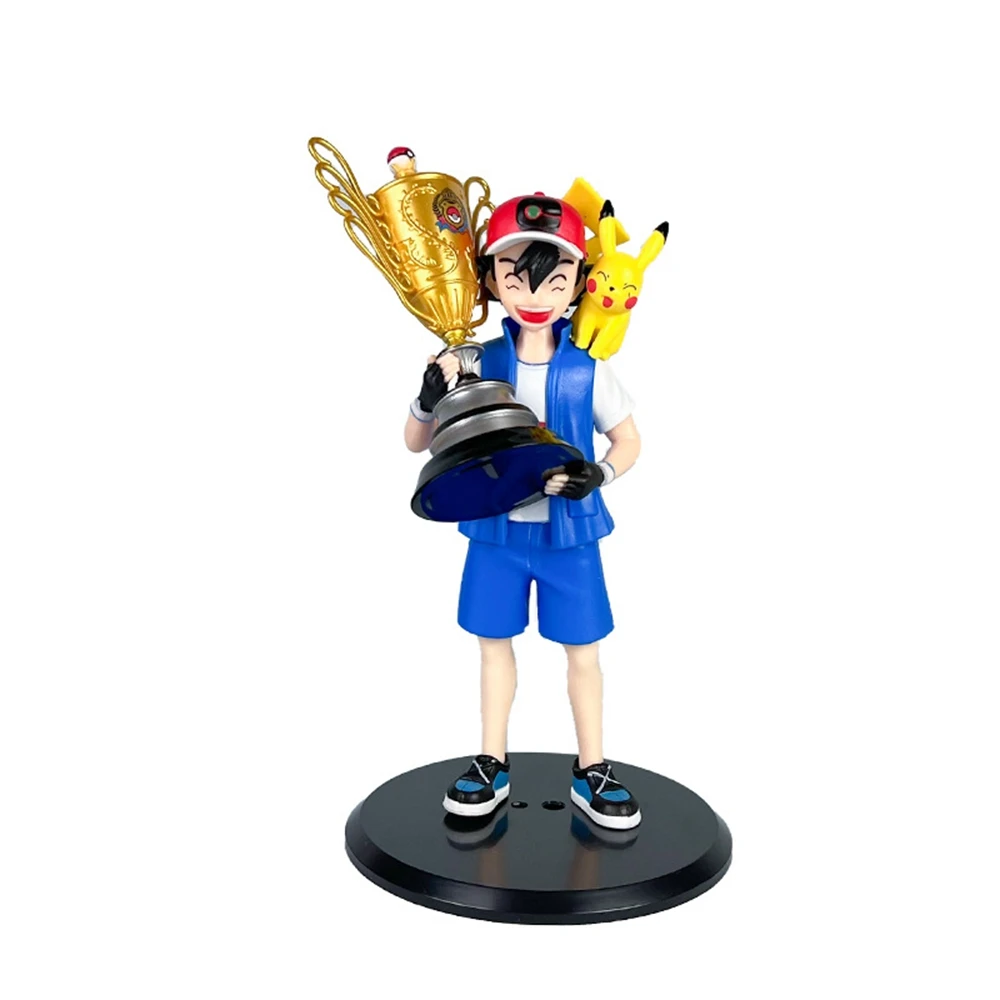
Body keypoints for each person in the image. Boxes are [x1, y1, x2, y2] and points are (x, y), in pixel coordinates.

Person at [403, 193, 643, 830]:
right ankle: (491, 760)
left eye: (555, 280)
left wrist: (599, 474)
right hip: (496, 531)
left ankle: (592, 766)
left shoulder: (588, 370)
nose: (534, 295)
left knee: (583, 651)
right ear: (490, 281)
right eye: (515, 278)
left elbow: (628, 440)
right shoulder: (476, 361)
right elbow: (416, 443)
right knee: (493, 647)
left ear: (579, 285)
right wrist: (426, 398)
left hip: (571, 535)